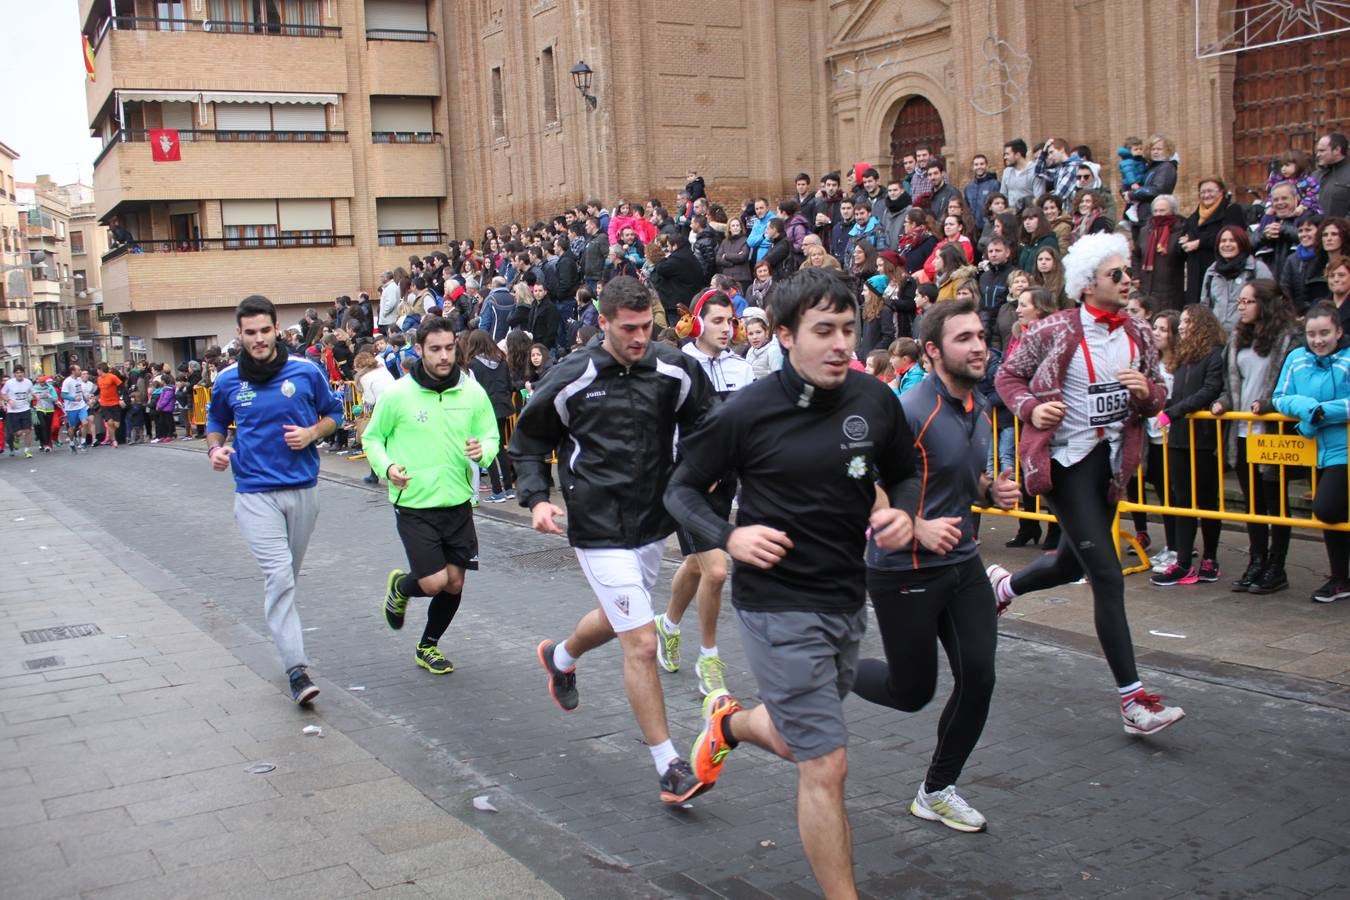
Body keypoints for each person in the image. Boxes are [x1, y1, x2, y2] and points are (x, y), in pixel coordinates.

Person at [665, 267, 918, 897]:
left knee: (794, 733)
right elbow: (681, 489)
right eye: (824, 331)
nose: (841, 345)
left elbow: (907, 467)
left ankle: (728, 725)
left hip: (843, 598)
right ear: (784, 335)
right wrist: (729, 537)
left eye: (849, 330)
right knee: (825, 763)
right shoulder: (747, 412)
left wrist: (903, 512)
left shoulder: (873, 400)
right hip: (774, 602)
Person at [509, 276, 715, 804]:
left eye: (647, 326)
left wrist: (707, 472)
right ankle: (669, 766)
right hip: (597, 525)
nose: (640, 337)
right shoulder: (573, 376)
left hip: (652, 523)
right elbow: (528, 441)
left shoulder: (675, 368)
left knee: (624, 617)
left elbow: (707, 426)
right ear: (603, 323)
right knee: (641, 642)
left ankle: (560, 656)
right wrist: (535, 499)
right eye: (629, 329)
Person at [990, 232, 1186, 735]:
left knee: (1072, 561)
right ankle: (1133, 701)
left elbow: (1158, 395)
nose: (1127, 280)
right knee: (1107, 573)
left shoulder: (1139, 332)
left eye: (1127, 273)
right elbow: (1007, 377)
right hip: (1065, 462)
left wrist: (1148, 393)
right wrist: (1033, 407)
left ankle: (1003, 586)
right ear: (1086, 283)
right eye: (1115, 274)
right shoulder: (1054, 329)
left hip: (1111, 463)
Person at [852, 299, 1021, 834]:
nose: (979, 346)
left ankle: (937, 790)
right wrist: (915, 524)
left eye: (980, 336)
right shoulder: (909, 409)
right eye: (964, 338)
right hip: (904, 569)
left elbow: (953, 479)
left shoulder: (981, 410)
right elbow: (857, 474)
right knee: (911, 693)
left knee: (980, 676)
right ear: (932, 351)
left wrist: (989, 489)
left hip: (963, 563)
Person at [206, 295, 345, 706]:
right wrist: (215, 449)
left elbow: (335, 413)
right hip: (253, 493)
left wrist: (312, 434)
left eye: (265, 331)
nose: (259, 339)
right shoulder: (228, 379)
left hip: (303, 490)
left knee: (289, 577)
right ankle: (297, 670)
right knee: (279, 576)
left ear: (276, 329)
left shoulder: (305, 370)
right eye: (250, 333)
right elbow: (215, 421)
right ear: (240, 335)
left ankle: (290, 652)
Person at [364, 317, 499, 675]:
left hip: (458, 502)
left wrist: (482, 451)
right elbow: (373, 438)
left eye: (449, 348)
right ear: (420, 350)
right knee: (434, 582)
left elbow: (490, 434)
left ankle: (428, 647)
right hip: (414, 502)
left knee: (454, 583)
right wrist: (387, 468)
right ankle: (402, 587)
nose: (443, 356)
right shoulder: (398, 394)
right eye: (435, 349)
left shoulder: (471, 392)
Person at [655, 292, 755, 696]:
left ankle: (668, 625)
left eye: (731, 322)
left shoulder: (743, 369)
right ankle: (708, 659)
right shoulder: (678, 366)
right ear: (697, 322)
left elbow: (746, 429)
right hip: (688, 485)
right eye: (717, 321)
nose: (726, 329)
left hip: (725, 483)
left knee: (697, 565)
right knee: (715, 569)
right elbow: (667, 431)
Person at [1212, 280, 1301, 595]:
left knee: (1275, 503)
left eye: (1248, 301)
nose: (1242, 306)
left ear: (1265, 303)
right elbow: (1229, 382)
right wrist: (1223, 401)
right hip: (1242, 431)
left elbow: (1295, 386)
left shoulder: (1290, 340)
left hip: (1273, 433)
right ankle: (1256, 560)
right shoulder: (1237, 338)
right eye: (1240, 301)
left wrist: (1270, 404)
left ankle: (1277, 565)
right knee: (1253, 505)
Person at [1273, 301, 1350, 602]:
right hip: (1313, 447)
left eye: (1325, 333)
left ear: (1339, 331)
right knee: (1333, 513)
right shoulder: (1296, 358)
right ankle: (1340, 578)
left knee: (1327, 508)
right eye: (1312, 334)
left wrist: (1321, 412)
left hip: (1344, 447)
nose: (1318, 340)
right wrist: (1306, 409)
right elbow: (1280, 397)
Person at [1149, 305, 1226, 586]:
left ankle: (1210, 558)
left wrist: (1173, 411)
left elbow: (1209, 390)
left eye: (1185, 322)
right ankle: (1182, 561)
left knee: (1206, 501)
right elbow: (1177, 393)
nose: (1180, 326)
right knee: (1182, 500)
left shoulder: (1214, 354)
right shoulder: (1184, 357)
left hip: (1203, 439)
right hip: (1178, 438)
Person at [1178, 178, 1249, 308]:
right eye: (1202, 192)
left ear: (1221, 192)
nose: (1206, 195)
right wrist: (1184, 242)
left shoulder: (1231, 210)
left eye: (1210, 191)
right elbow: (1184, 238)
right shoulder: (1194, 218)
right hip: (1196, 273)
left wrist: (1199, 242)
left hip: (1221, 269)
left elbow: (1233, 235)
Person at [1201, 225, 1272, 333]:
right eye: (1223, 241)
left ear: (1242, 244)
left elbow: (1270, 303)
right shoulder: (1212, 272)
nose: (1227, 244)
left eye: (1232, 240)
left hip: (1248, 336)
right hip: (1218, 338)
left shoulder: (1257, 269)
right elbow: (1205, 306)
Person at [1138, 195, 1187, 312]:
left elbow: (1183, 255)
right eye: (1155, 211)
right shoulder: (1145, 231)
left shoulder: (1181, 230)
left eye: (1162, 211)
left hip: (1170, 292)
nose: (1158, 214)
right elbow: (1136, 253)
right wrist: (1136, 275)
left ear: (1172, 211)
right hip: (1147, 289)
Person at [2, 365, 34, 458]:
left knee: (28, 430)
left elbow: (32, 392)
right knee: (18, 432)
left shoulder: (28, 382)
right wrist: (9, 400)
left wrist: (35, 395)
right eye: (17, 373)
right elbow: (2, 394)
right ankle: (16, 437)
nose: (19, 374)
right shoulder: (9, 383)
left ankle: (27, 450)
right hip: (13, 411)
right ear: (14, 374)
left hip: (25, 409)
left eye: (21, 372)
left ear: (24, 373)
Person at [1316, 131, 1349, 218]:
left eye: (1322, 151)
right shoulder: (1315, 175)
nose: (1318, 155)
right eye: (1317, 151)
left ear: (1337, 150)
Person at [60, 365, 88, 453]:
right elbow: (63, 395)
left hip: (81, 406)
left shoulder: (79, 380)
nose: (80, 371)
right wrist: (73, 399)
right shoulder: (67, 381)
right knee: (72, 427)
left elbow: (80, 392)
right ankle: (71, 442)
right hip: (71, 408)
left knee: (85, 423)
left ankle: (83, 441)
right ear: (73, 371)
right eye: (79, 370)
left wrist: (86, 400)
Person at [95, 362, 123, 448]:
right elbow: (99, 389)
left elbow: (121, 387)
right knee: (110, 423)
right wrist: (93, 395)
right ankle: (114, 440)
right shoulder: (99, 379)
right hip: (104, 404)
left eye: (97, 370)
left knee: (116, 425)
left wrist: (121, 399)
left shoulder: (112, 377)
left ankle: (112, 437)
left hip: (114, 403)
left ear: (101, 369)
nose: (97, 371)